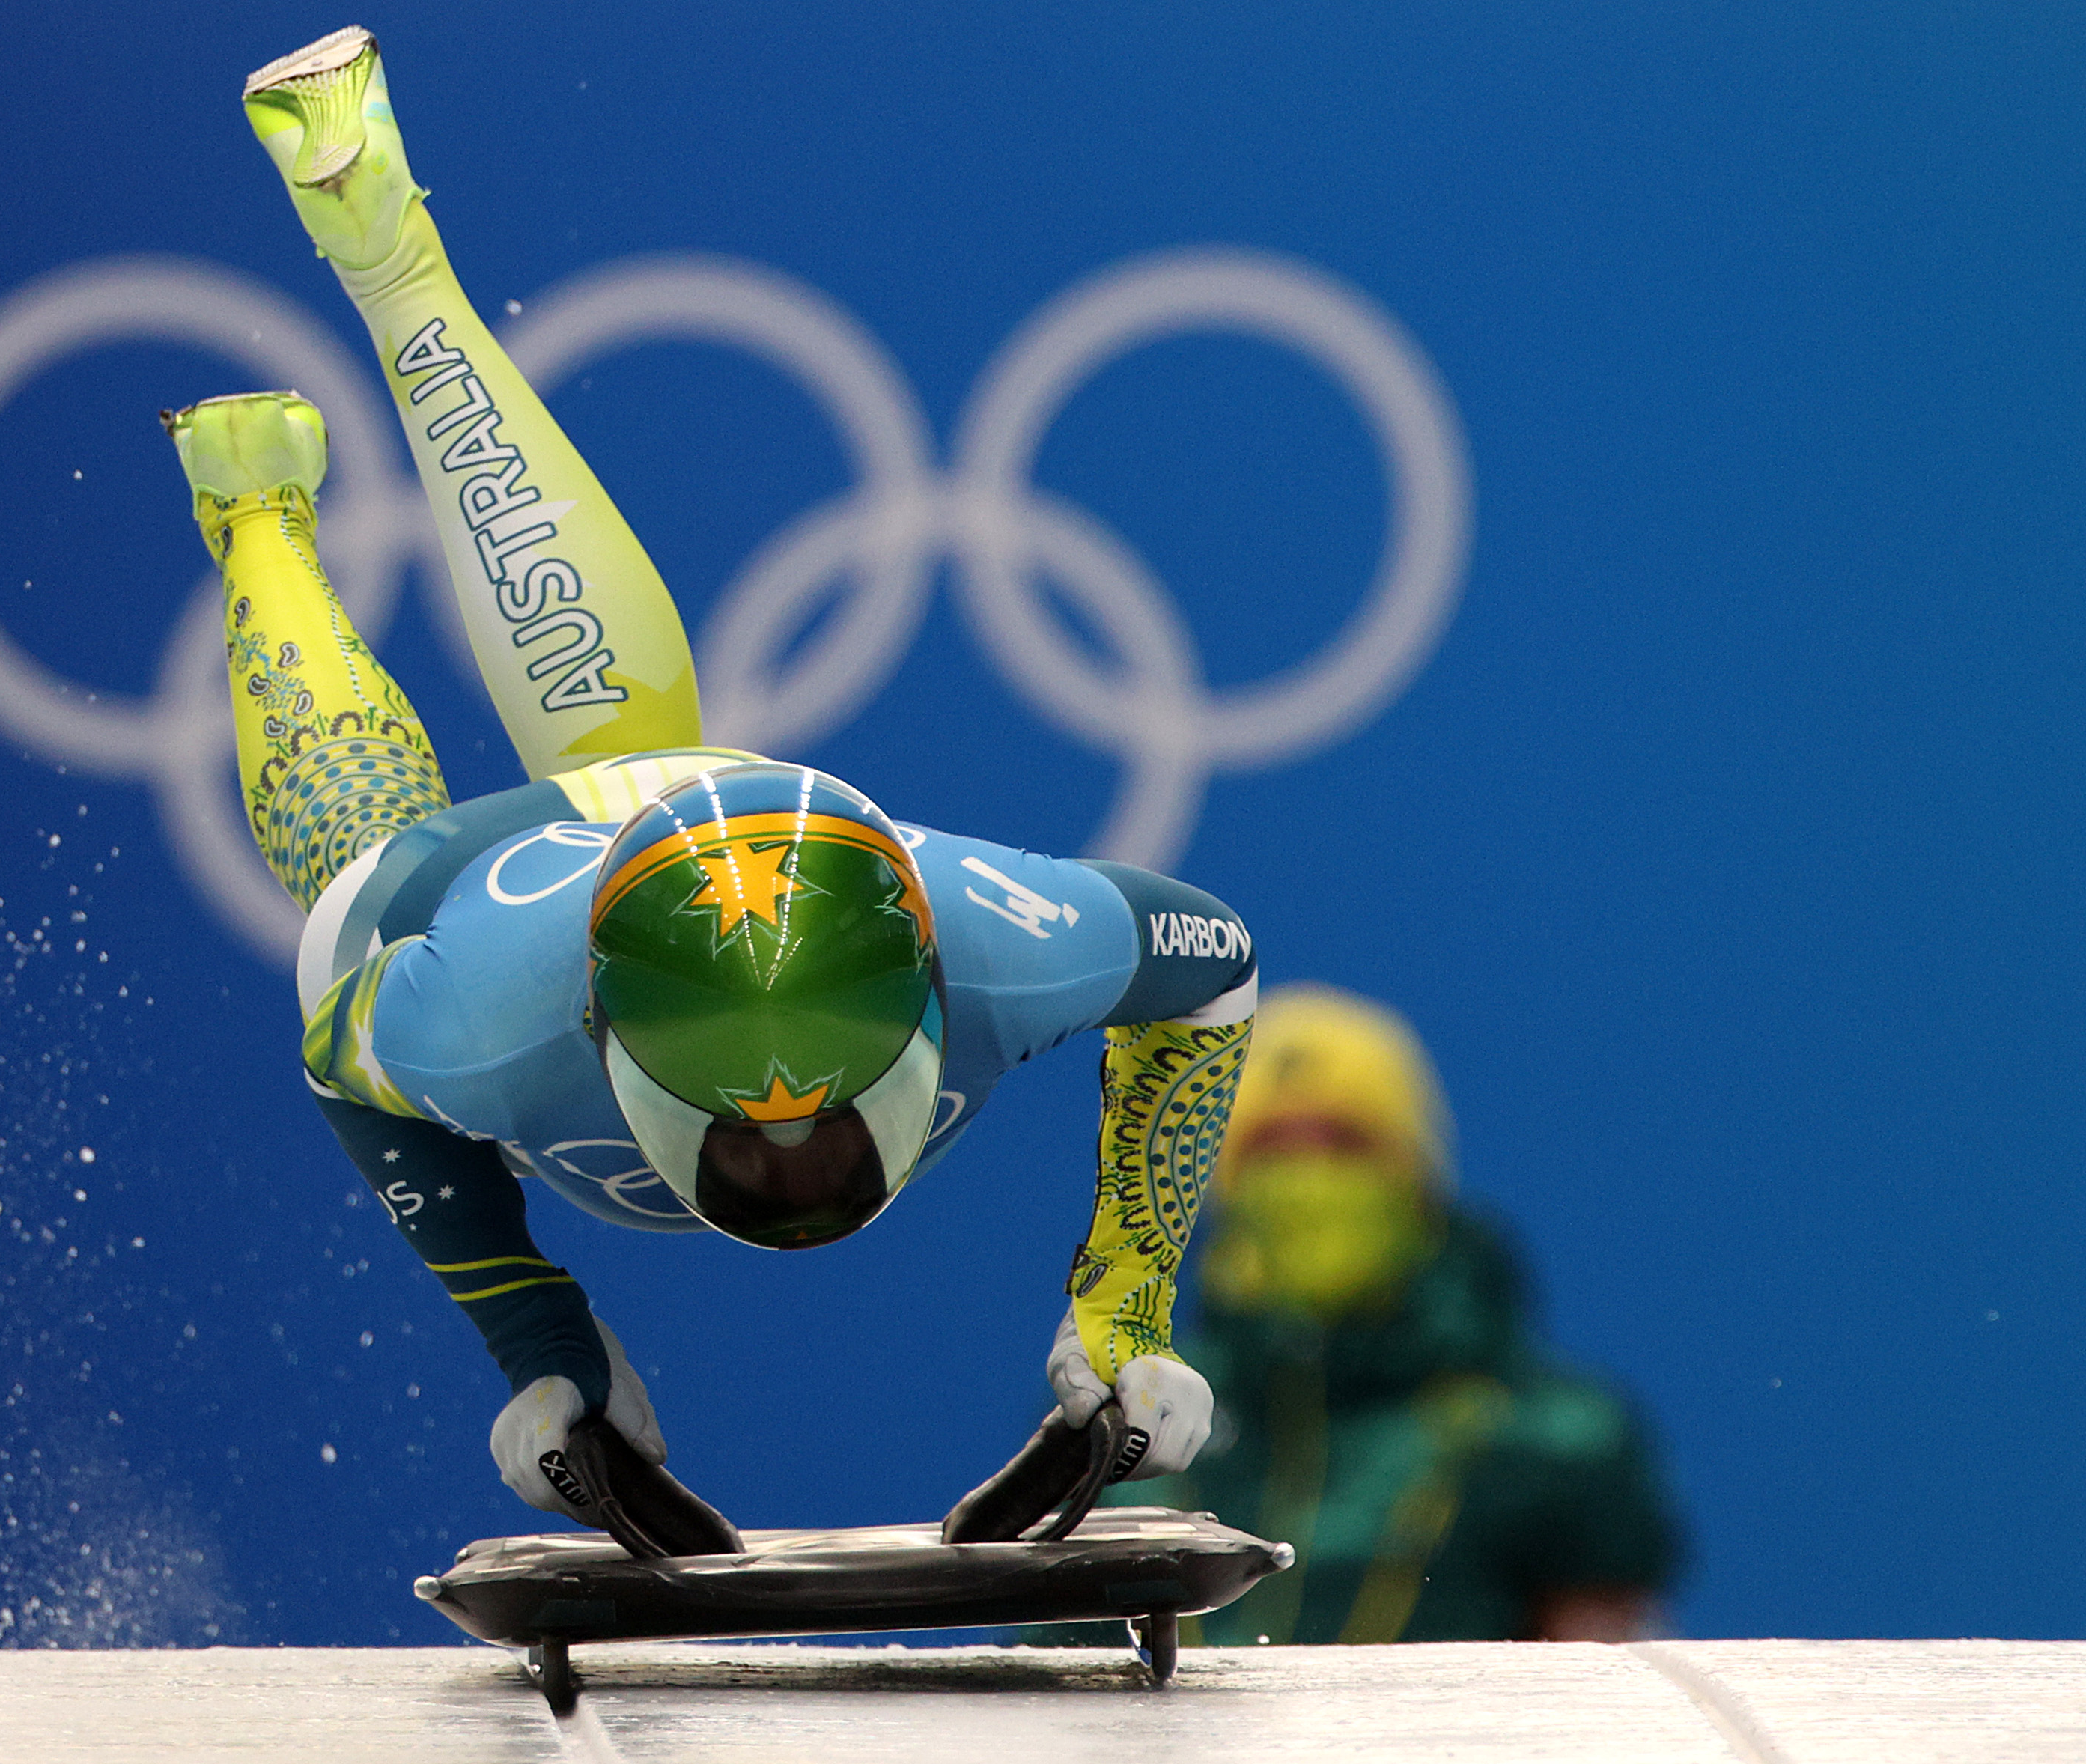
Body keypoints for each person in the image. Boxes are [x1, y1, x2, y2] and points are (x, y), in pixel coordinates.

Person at [159, 26, 1260, 1531]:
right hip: (476, 893)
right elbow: (336, 1061)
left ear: (934, 996)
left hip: (704, 810)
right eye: (754, 1131)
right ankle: (262, 515)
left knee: (627, 739)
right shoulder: (467, 1017)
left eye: (809, 1121)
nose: (797, 1157)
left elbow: (1214, 972)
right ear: (609, 1041)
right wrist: (541, 1335)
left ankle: (390, 260)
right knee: (352, 879)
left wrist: (1128, 1304)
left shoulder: (1008, 936)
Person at [1040, 985, 1682, 1644]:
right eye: (1272, 1149)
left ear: (1415, 1174)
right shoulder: (1135, 1409)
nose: (1308, 1176)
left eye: (1344, 1143)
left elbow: (1609, 1704)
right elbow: (1051, 1674)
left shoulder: (1554, 1436)